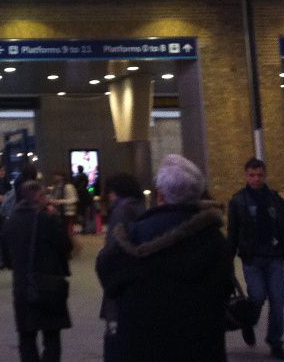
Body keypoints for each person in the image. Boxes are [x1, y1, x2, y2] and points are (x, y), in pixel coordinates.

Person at [96, 154, 233, 362]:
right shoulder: (214, 239)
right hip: (200, 346)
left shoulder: (133, 235)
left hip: (141, 346)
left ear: (160, 195)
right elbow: (224, 289)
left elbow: (109, 278)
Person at [227, 157, 284, 359]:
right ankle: (248, 321)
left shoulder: (275, 199)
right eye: (252, 175)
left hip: (274, 257)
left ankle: (275, 342)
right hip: (252, 260)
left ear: (264, 175)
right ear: (246, 176)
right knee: (257, 297)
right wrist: (227, 259)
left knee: (277, 299)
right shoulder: (238, 201)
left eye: (259, 175)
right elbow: (233, 233)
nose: (256, 179)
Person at [2, 180, 72, 362]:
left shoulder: (11, 221)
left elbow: (5, 257)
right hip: (49, 284)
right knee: (51, 335)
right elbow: (66, 246)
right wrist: (56, 218)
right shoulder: (47, 219)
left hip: (23, 284)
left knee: (26, 336)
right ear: (39, 197)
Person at [95, 172, 145, 358]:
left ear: (115, 191)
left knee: (119, 337)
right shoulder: (140, 207)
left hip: (120, 281)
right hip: (138, 279)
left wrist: (103, 267)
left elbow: (113, 250)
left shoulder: (121, 211)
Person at [49, 172, 78, 238]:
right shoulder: (56, 187)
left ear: (62, 177)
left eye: (57, 176)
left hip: (67, 211)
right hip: (58, 212)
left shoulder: (68, 187)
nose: (54, 178)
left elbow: (74, 199)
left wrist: (60, 201)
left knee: (67, 232)